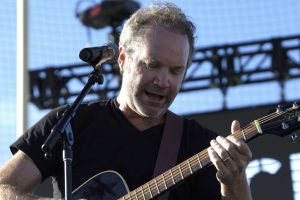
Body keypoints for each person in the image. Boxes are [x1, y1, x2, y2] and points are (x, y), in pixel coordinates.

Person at [0, 2, 252, 200]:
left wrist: (236, 181)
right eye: (152, 65)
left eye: (176, 71)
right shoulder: (69, 122)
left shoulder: (199, 145)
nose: (163, 81)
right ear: (122, 59)